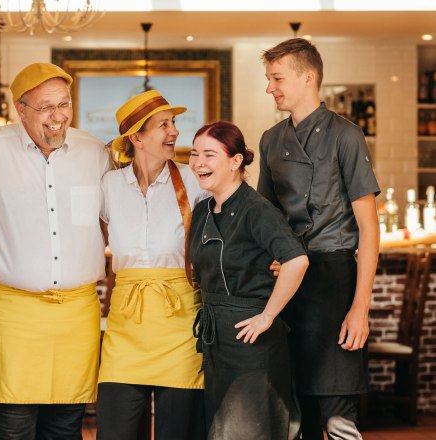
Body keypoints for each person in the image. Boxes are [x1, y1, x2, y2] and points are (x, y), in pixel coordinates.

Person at [0, 62, 113, 440]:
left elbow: (112, 222)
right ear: (20, 109)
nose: (57, 116)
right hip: (8, 313)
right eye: (45, 107)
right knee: (11, 426)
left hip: (76, 314)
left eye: (64, 104)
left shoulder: (94, 152)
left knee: (66, 426)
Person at [259, 38, 381, 440]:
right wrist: (272, 257)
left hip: (335, 282)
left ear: (307, 77)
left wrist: (361, 306)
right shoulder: (271, 139)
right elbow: (266, 218)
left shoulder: (347, 135)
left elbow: (368, 227)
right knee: (295, 415)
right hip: (290, 284)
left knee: (338, 416)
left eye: (276, 78)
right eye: (268, 78)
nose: (269, 87)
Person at [96, 90, 206, 440]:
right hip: (125, 327)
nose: (174, 131)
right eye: (163, 124)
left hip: (180, 325)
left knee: (179, 432)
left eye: (173, 123)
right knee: (115, 431)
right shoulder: (109, 186)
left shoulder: (194, 182)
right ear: (137, 137)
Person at [189, 121, 309, 439]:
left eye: (210, 154)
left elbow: (296, 260)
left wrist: (267, 316)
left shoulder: (256, 210)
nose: (199, 162)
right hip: (217, 340)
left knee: (251, 430)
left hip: (251, 341)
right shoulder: (202, 211)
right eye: (195, 153)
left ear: (236, 161)